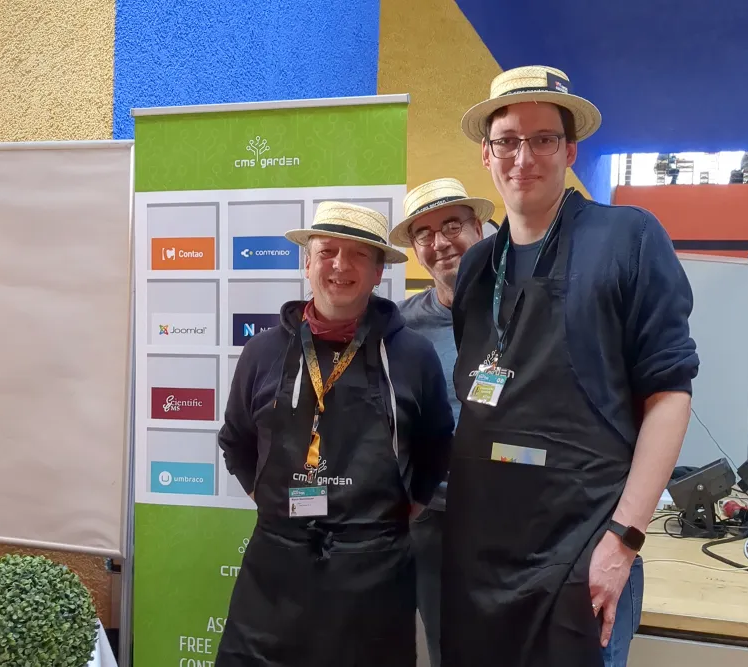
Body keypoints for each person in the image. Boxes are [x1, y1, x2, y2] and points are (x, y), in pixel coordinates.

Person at [442, 65, 700, 667]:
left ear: (569, 149)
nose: (523, 157)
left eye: (543, 139)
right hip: (481, 552)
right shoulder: (480, 265)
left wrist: (625, 540)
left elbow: (669, 396)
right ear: (486, 153)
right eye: (507, 140)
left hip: (583, 547)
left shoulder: (627, 237)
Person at [216, 201, 455, 667]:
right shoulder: (262, 352)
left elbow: (436, 446)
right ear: (306, 262)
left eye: (358, 255)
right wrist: (273, 501)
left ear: (379, 271)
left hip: (374, 575)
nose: (340, 266)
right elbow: (236, 441)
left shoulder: (413, 355)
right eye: (327, 251)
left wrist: (399, 514)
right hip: (275, 573)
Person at [388, 177, 495, 667]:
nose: (440, 242)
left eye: (452, 225)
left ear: (480, 227)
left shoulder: (526, 310)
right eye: (424, 234)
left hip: (515, 518)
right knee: (447, 651)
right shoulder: (399, 327)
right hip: (433, 524)